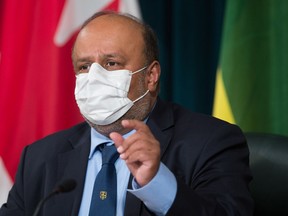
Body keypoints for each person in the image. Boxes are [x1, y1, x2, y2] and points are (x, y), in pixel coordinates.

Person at [0, 11, 253, 216]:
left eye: (112, 63)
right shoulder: (40, 157)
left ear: (150, 76)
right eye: (84, 66)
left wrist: (157, 182)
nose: (95, 77)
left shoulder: (211, 142)